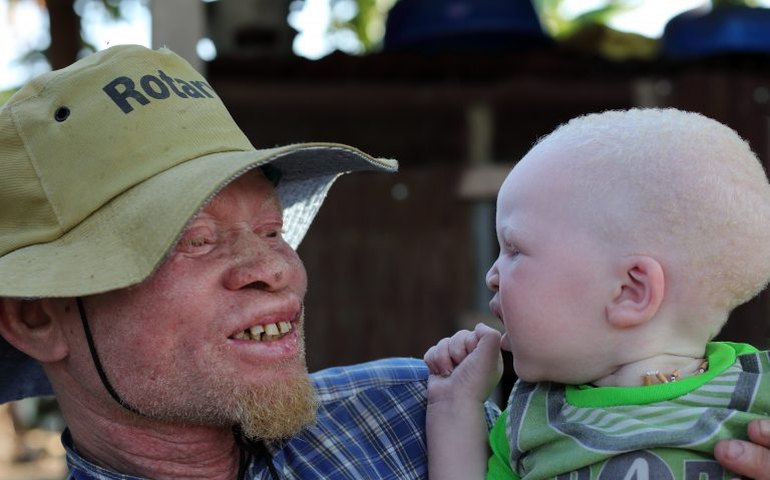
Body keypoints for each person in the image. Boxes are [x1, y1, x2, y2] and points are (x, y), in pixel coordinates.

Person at [0, 47, 767, 480]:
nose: (275, 271)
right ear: (38, 317)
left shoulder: (412, 415)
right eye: (192, 240)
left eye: (272, 231)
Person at [424, 108, 770, 479]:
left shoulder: (759, 390)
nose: (491, 276)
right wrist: (452, 407)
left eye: (514, 249)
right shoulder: (531, 422)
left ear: (629, 291)